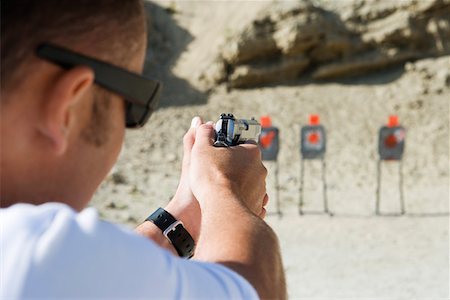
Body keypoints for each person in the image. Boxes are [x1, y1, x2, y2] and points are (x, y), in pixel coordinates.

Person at [0, 0, 286, 299]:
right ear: (68, 107)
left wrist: (184, 216)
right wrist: (226, 189)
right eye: (134, 105)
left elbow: (98, 279)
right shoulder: (34, 254)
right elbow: (254, 289)